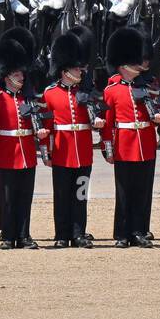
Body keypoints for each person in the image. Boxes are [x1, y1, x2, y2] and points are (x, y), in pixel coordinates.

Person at [101, 27, 159, 247]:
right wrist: (108, 147)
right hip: (124, 145)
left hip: (145, 144)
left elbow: (153, 114)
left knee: (142, 192)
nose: (140, 66)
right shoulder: (112, 90)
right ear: (123, 65)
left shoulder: (146, 87)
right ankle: (122, 233)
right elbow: (108, 123)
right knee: (124, 192)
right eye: (134, 62)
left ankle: (139, 231)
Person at [0, 32, 43, 248]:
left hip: (26, 153)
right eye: (17, 74)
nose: (21, 77)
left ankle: (24, 234)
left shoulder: (28, 96)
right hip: (7, 153)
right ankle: (9, 235)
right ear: (6, 75)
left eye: (22, 73)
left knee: (25, 197)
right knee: (8, 197)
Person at [43, 31, 98, 248]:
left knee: (80, 195)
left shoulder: (86, 93)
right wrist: (47, 153)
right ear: (65, 70)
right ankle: (61, 234)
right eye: (76, 68)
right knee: (62, 196)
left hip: (83, 153)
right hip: (62, 152)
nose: (80, 71)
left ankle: (78, 234)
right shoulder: (50, 94)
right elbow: (47, 127)